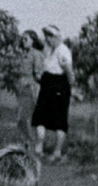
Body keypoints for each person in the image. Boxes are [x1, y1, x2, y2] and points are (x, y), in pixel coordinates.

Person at [31, 24, 74, 162]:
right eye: (46, 37)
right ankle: (39, 147)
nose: (47, 39)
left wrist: (70, 86)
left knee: (60, 119)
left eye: (50, 36)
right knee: (40, 117)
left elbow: (68, 71)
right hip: (47, 83)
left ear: (56, 37)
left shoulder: (63, 51)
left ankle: (57, 151)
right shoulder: (49, 50)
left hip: (59, 84)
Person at [16, 30, 44, 147]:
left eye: (26, 39)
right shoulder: (23, 54)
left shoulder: (36, 54)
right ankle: (27, 143)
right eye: (22, 39)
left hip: (30, 88)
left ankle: (31, 144)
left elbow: (39, 74)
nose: (23, 41)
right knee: (21, 119)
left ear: (33, 40)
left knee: (24, 118)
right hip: (22, 89)